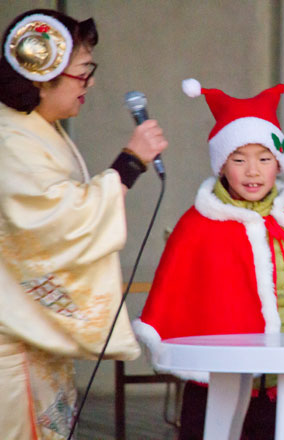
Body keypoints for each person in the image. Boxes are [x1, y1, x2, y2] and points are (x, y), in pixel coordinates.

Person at [133, 79, 284, 440]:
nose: (252, 171)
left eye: (264, 158)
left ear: (278, 164)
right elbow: (175, 292)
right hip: (217, 382)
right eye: (239, 159)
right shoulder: (198, 225)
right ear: (221, 165)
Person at [0, 9, 168, 440]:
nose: (89, 83)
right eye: (82, 73)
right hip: (11, 351)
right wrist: (129, 164)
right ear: (41, 75)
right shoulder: (9, 138)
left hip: (32, 342)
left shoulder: (35, 130)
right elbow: (54, 222)